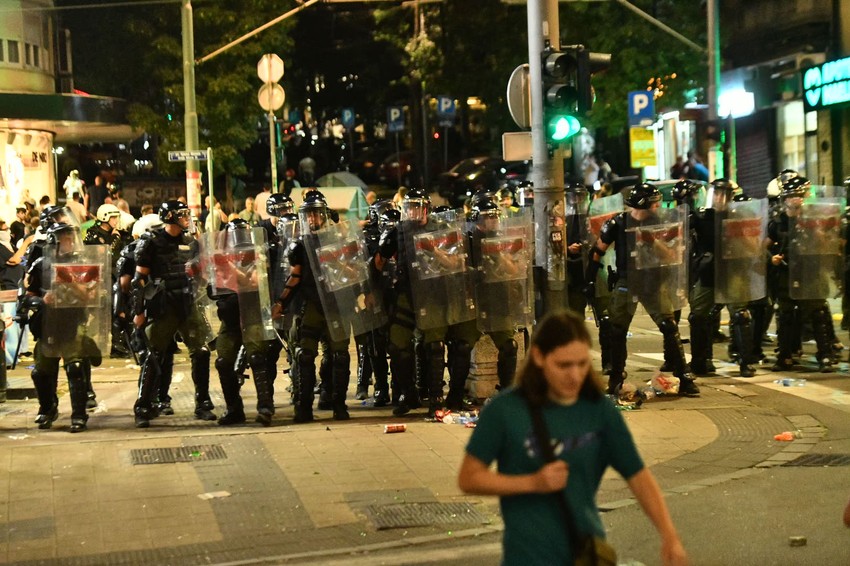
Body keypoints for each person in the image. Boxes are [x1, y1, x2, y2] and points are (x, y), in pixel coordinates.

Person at [457, 311, 689, 565]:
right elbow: (469, 478)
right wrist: (532, 483)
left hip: (584, 554)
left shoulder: (598, 410)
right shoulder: (506, 410)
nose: (575, 375)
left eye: (582, 364)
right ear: (538, 358)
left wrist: (670, 536)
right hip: (527, 557)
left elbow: (638, 476)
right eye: (564, 365)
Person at [584, 182, 700, 397]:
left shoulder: (661, 224)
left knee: (668, 325)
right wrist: (590, 280)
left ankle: (684, 375)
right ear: (643, 204)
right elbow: (598, 250)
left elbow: (672, 255)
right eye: (655, 203)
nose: (659, 207)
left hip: (654, 281)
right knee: (616, 329)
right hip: (627, 280)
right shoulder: (618, 223)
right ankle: (616, 377)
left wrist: (653, 241)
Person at [131, 200, 216, 427]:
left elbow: (201, 273)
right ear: (169, 217)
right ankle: (143, 406)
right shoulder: (152, 242)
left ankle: (203, 402)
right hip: (163, 306)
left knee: (201, 352)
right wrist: (138, 311)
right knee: (153, 355)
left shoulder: (191, 242)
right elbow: (139, 280)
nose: (186, 219)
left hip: (188, 304)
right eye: (181, 215)